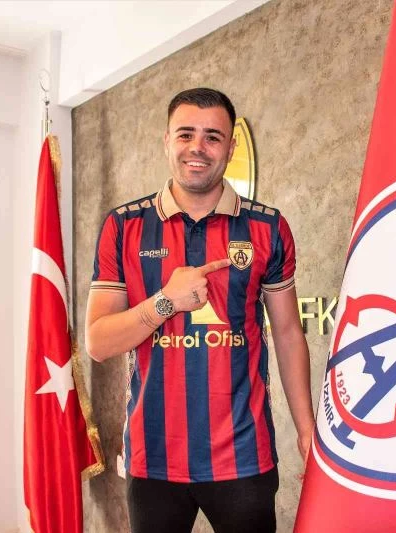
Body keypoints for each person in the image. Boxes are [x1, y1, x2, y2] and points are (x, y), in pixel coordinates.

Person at [85, 87, 315, 533]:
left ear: (231, 147)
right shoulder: (124, 226)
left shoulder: (267, 227)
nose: (197, 147)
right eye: (185, 134)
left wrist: (306, 432)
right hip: (153, 458)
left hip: (243, 455)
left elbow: (288, 333)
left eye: (213, 137)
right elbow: (98, 342)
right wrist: (166, 301)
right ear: (166, 141)